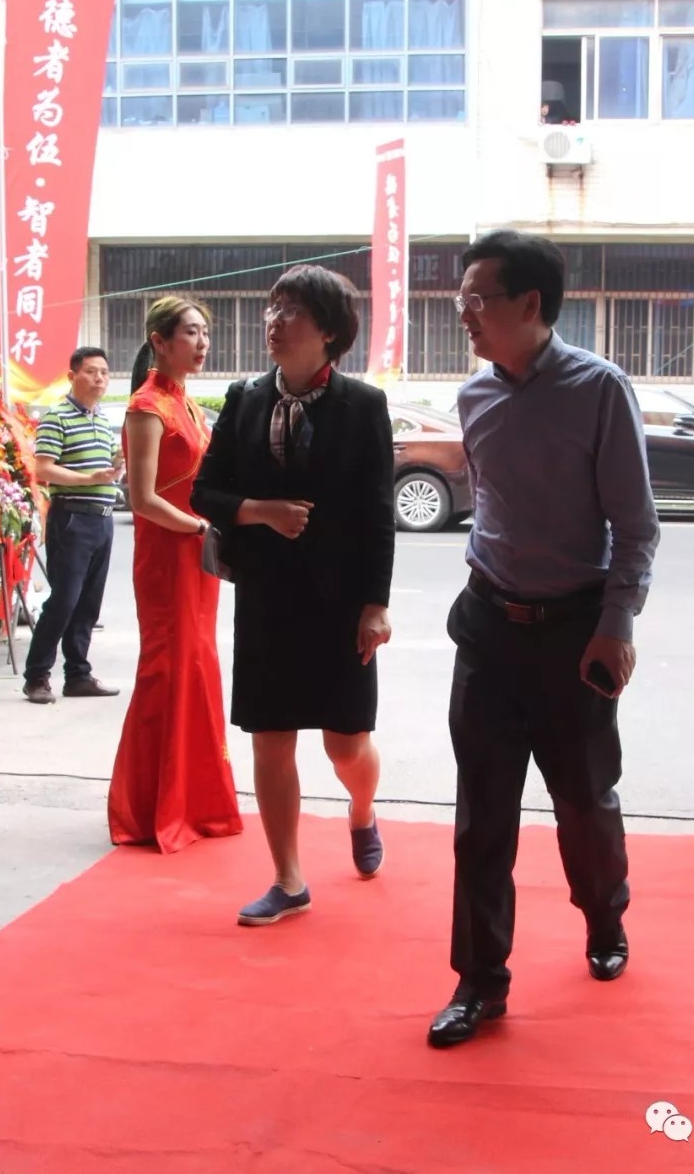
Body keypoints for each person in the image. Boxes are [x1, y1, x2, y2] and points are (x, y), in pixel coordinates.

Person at [426, 230, 660, 1050]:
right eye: (461, 298)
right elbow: (492, 504)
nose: (463, 312)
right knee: (481, 814)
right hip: (488, 626)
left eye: (477, 299)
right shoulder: (473, 396)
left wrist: (616, 624)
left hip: (574, 634)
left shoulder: (599, 390)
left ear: (530, 303)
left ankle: (604, 914)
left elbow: (635, 526)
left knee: (584, 801)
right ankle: (479, 979)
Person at [192, 265, 395, 926]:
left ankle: (362, 809)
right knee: (270, 738)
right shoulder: (245, 397)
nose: (274, 322)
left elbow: (377, 512)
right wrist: (259, 511)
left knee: (346, 745)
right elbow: (205, 491)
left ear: (329, 331)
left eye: (291, 312)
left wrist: (376, 603)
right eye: (272, 308)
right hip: (267, 598)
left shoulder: (363, 405)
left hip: (340, 601)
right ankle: (288, 878)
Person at [107, 298, 243, 853]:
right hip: (168, 555)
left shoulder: (187, 403)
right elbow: (141, 499)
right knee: (168, 671)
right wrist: (199, 528)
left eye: (205, 332)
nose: (202, 342)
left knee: (197, 669)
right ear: (160, 342)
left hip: (197, 552)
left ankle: (195, 800)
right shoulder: (146, 407)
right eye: (191, 332)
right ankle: (148, 808)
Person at [23, 347, 122, 704]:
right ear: (72, 376)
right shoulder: (57, 417)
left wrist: (116, 467)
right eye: (91, 371)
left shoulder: (103, 419)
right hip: (72, 517)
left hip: (103, 518)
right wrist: (88, 479)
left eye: (104, 373)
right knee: (64, 600)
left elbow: (104, 469)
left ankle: (78, 675)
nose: (99, 378)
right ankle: (36, 677)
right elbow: (44, 468)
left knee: (89, 604)